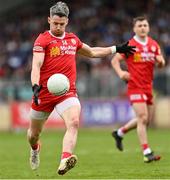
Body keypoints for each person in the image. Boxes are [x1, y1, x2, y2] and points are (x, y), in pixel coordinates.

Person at [27, 1, 135, 175]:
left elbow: (92, 52)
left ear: (67, 22)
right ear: (49, 20)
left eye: (62, 24)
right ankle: (35, 149)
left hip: (66, 92)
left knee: (74, 122)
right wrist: (35, 85)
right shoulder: (43, 40)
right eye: (55, 23)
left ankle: (65, 159)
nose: (58, 27)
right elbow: (36, 65)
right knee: (33, 134)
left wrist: (116, 48)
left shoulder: (72, 39)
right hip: (43, 93)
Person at [111, 16, 165, 163]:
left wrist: (160, 62)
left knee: (145, 120)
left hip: (148, 86)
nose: (142, 28)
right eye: (139, 25)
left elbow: (161, 62)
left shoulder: (154, 45)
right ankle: (147, 152)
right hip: (135, 86)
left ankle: (119, 132)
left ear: (148, 27)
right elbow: (114, 60)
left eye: (145, 25)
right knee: (143, 118)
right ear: (134, 28)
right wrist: (121, 73)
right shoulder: (130, 44)